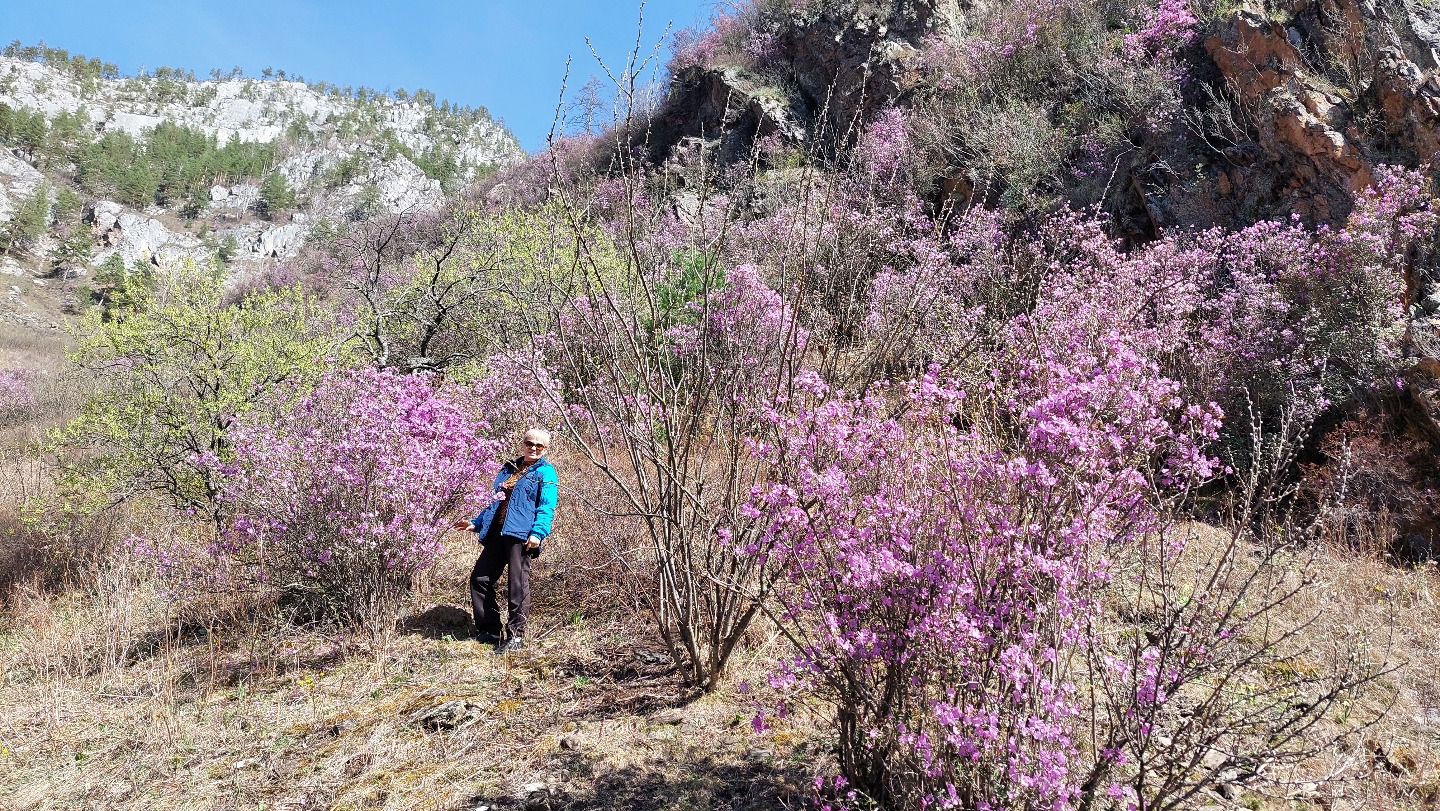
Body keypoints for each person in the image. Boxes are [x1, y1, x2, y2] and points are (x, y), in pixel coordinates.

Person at [454, 428, 558, 653]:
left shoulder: (546, 472)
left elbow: (547, 506)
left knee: (517, 585)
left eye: (540, 446)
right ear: (523, 444)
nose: (534, 448)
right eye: (530, 443)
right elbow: (494, 502)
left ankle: (516, 637)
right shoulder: (508, 468)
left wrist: (538, 533)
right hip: (496, 532)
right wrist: (477, 523)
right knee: (480, 578)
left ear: (545, 449)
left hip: (521, 535)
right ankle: (489, 630)